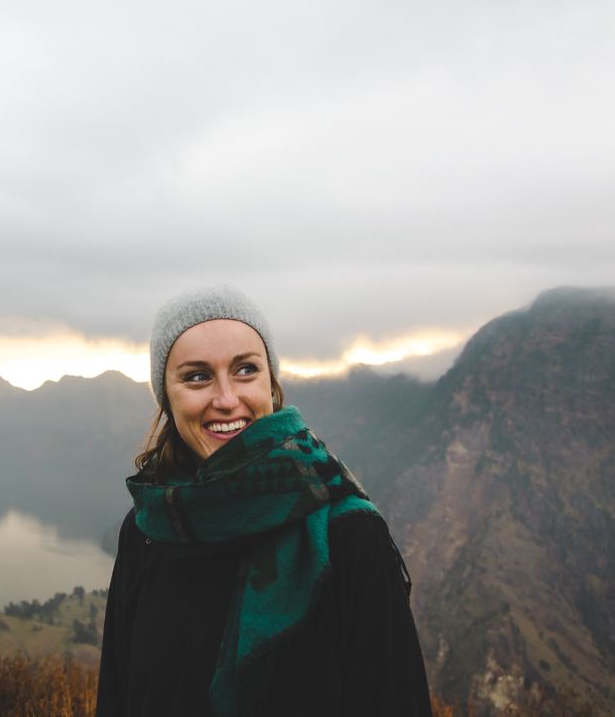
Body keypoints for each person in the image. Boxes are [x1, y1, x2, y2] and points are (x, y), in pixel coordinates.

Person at [96, 286, 432, 717]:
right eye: (196, 376)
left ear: (271, 385)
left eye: (245, 370)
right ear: (167, 396)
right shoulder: (146, 529)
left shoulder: (348, 536)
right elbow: (118, 697)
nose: (226, 399)